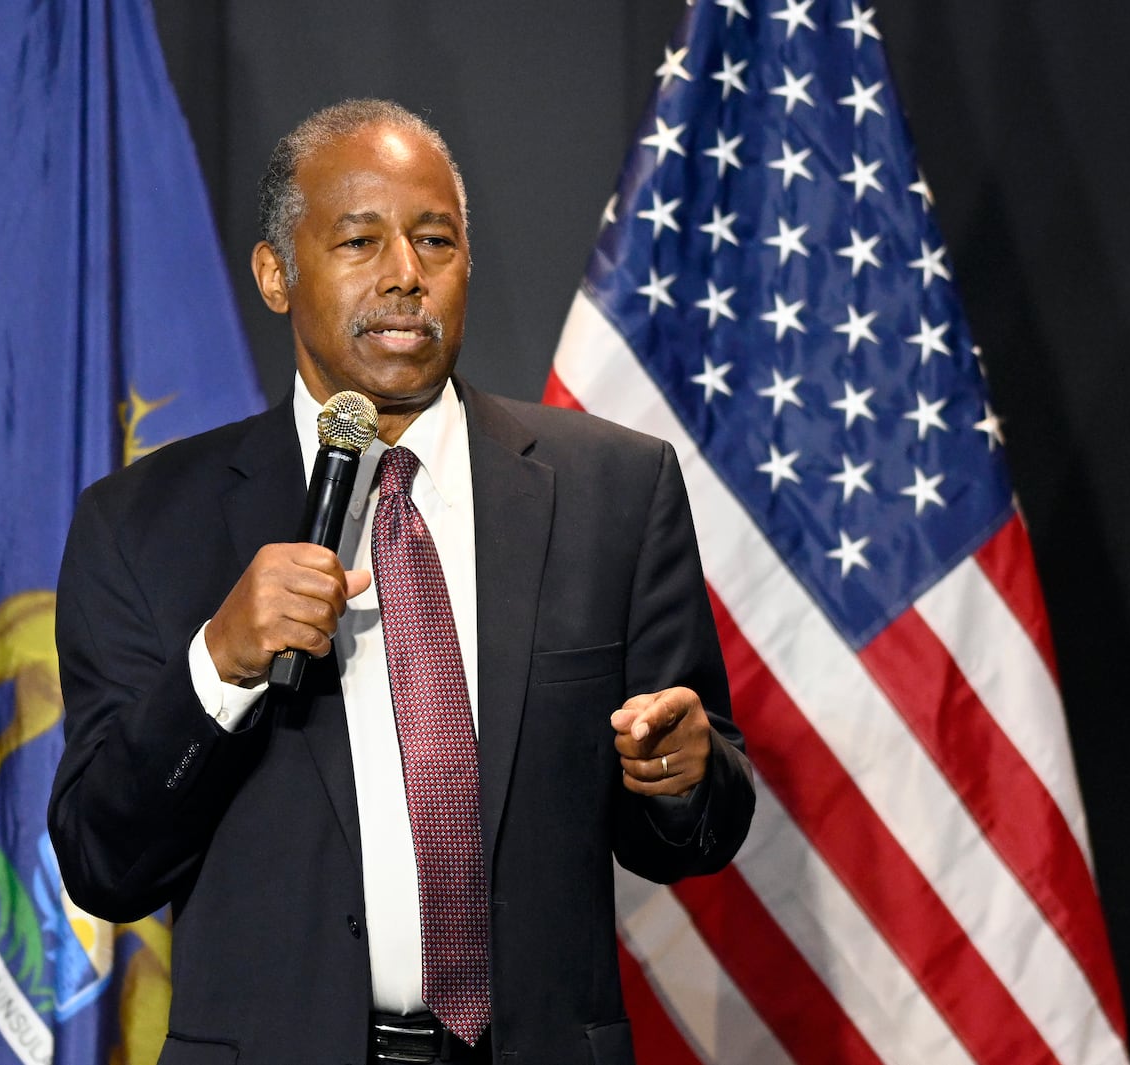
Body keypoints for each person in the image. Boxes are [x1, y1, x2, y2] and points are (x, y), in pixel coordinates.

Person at [49, 99, 754, 1065]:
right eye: (359, 240)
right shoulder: (140, 525)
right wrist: (217, 666)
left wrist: (684, 775)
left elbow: (693, 832)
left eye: (436, 240)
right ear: (275, 274)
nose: (405, 276)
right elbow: (102, 862)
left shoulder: (614, 493)